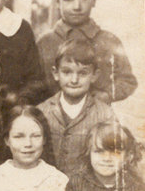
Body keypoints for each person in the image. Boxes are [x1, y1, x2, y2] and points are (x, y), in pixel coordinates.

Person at [36, 0, 137, 103]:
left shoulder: (109, 41)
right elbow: (33, 85)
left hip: (97, 117)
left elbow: (127, 81)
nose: (77, 6)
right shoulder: (45, 42)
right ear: (57, 2)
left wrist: (107, 95)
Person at [37, 38, 117, 178]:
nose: (74, 80)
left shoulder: (105, 115)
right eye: (67, 72)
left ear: (94, 75)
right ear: (56, 73)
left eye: (82, 73)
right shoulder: (41, 112)